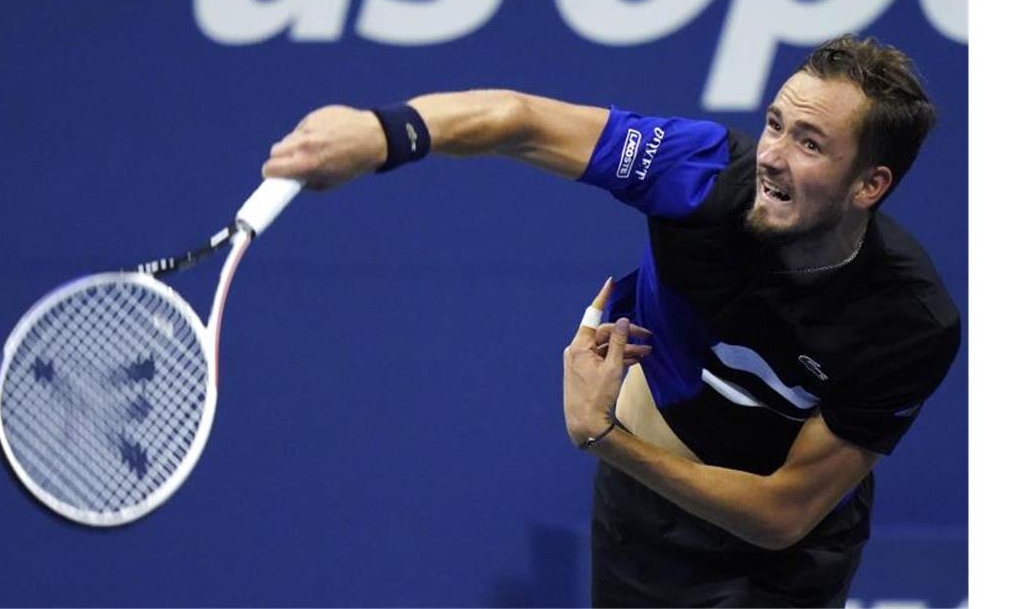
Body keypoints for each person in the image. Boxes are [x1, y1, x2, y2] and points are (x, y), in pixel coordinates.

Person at [261, 35, 961, 608]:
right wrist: (384, 133)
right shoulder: (700, 172)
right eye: (776, 122)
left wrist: (606, 437)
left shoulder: (908, 321)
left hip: (782, 563)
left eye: (810, 143)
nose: (773, 154)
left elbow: (783, 514)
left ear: (870, 184)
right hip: (642, 524)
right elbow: (521, 121)